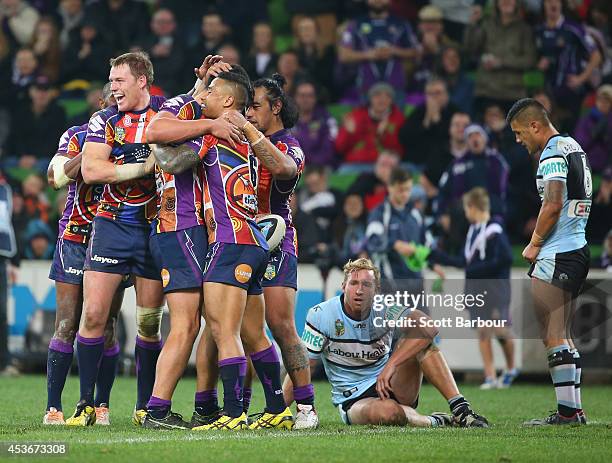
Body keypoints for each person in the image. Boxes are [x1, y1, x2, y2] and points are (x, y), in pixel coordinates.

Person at [150, 66, 293, 431]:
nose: (204, 98)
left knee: (222, 331)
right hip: (252, 240)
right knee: (253, 333)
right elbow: (284, 169)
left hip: (229, 242)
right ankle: (277, 407)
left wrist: (156, 137)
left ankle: (233, 414)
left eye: (211, 93)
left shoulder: (215, 137)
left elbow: (169, 159)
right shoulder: (249, 137)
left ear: (228, 100)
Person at [140, 58, 242, 430]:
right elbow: (159, 131)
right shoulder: (182, 108)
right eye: (209, 87)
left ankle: (203, 404)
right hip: (178, 225)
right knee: (185, 324)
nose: (210, 92)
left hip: (188, 229)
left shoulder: (192, 107)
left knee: (204, 321)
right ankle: (157, 409)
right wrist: (210, 128)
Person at [65, 52, 164, 427]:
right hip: (112, 225)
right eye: (111, 80)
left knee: (149, 324)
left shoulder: (166, 114)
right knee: (93, 314)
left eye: (119, 80)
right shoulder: (104, 119)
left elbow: (196, 102)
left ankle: (143, 407)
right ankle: (86, 404)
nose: (113, 88)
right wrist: (141, 166)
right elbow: (90, 169)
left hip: (155, 228)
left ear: (142, 81)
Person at [291, 257, 489, 427]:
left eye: (366, 285)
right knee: (389, 413)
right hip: (354, 399)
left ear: (376, 290)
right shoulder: (321, 314)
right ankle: (435, 421)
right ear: (343, 286)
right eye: (354, 283)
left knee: (422, 338)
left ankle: (461, 409)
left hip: (391, 383)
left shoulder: (385, 308)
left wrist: (391, 365)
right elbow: (304, 363)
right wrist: (281, 409)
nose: (359, 290)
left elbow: (430, 327)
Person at [224, 72, 318, 428]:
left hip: (277, 241)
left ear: (276, 107)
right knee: (243, 328)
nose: (248, 113)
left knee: (280, 324)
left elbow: (282, 168)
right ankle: (244, 408)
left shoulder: (289, 144)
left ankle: (306, 407)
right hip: (241, 238)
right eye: (246, 106)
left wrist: (249, 132)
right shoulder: (241, 141)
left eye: (256, 106)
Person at [44, 84, 128, 426]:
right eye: (111, 100)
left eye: (120, 102)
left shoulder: (135, 139)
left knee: (105, 325)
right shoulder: (77, 135)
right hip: (75, 238)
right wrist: (94, 147)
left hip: (113, 239)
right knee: (66, 323)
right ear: (100, 103)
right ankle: (53, 408)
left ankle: (100, 404)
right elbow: (54, 178)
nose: (116, 107)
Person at [507, 98, 592, 425]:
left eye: (519, 133)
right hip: (577, 247)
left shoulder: (552, 153)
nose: (519, 140)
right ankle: (574, 410)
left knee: (552, 334)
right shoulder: (572, 145)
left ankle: (567, 413)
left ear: (535, 125)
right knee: (563, 334)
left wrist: (535, 243)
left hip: (558, 251)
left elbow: (553, 203)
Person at [431, 188, 518, 389]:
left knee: (500, 328)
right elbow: (463, 261)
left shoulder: (495, 230)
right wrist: (436, 256)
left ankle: (511, 367)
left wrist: (474, 269)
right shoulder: (473, 232)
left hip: (495, 288)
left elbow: (505, 259)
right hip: (476, 289)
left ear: (472, 207)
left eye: (466, 208)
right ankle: (490, 376)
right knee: (483, 331)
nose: (465, 213)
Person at [366, 168, 443, 293]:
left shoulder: (416, 214)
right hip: (389, 287)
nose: (405, 194)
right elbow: (372, 240)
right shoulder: (379, 214)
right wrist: (395, 244)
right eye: (400, 190)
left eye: (408, 189)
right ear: (390, 187)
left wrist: (433, 264)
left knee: (424, 314)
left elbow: (425, 245)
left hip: (416, 286)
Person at [463, 0, 536, 117]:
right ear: (496, 3)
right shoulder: (486, 24)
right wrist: (473, 24)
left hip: (513, 93)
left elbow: (530, 61)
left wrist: (502, 62)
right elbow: (471, 49)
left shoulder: (524, 29)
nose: (506, 1)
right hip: (486, 91)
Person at [338, 0, 419, 102]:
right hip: (367, 86)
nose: (378, 0)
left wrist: (394, 51)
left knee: (396, 118)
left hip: (395, 86)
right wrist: (368, 55)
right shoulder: (355, 24)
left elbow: (416, 52)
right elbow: (343, 55)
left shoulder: (401, 23)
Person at [336, 82, 404, 165]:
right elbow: (339, 148)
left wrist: (383, 135)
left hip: (386, 165)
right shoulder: (355, 116)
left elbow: (399, 151)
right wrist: (349, 133)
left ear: (392, 100)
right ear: (370, 98)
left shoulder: (398, 119)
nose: (382, 99)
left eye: (387, 96)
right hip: (356, 164)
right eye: (377, 95)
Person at [292, 80, 337, 168]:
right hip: (295, 169)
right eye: (302, 96)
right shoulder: (287, 121)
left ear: (315, 98)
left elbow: (330, 146)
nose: (305, 99)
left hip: (322, 168)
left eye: (310, 96)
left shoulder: (326, 119)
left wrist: (313, 167)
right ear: (295, 98)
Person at [0, 169, 18, 377]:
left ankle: (4, 361)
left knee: (2, 311)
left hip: (2, 255)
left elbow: (6, 225)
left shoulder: (4, 188)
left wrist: (14, 260)